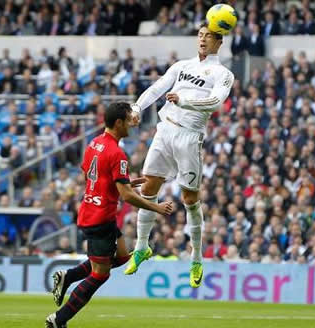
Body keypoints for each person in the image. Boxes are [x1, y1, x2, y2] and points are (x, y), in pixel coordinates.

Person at [125, 23, 234, 288]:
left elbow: (216, 102)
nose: (202, 39)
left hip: (189, 135)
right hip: (165, 129)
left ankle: (196, 258)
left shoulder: (223, 73)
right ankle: (141, 247)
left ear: (219, 41)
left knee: (189, 198)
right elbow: (157, 88)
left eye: (208, 36)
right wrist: (137, 106)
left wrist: (184, 101)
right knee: (149, 186)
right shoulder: (182, 66)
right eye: (200, 35)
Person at [45, 102, 173, 328]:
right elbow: (127, 197)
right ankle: (58, 319)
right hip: (101, 218)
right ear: (118, 123)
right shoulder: (117, 153)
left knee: (123, 257)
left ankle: (68, 276)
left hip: (91, 211)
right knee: (100, 274)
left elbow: (90, 177)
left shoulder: (94, 143)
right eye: (128, 120)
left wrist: (123, 182)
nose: (132, 124)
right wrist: (157, 207)